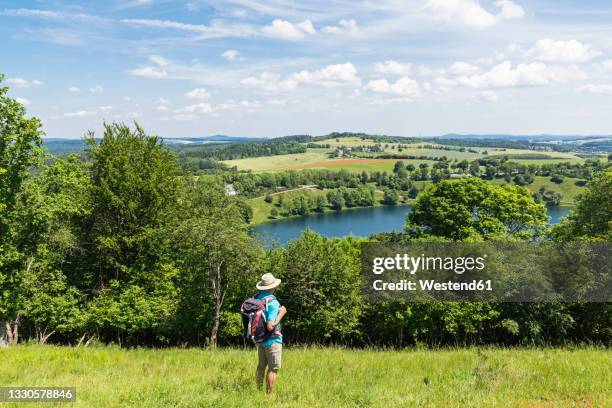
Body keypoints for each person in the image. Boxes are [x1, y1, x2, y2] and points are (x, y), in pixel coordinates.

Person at [254, 273, 286, 394]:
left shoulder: (257, 298)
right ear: (273, 286)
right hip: (272, 339)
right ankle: (268, 397)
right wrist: (281, 313)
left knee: (261, 366)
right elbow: (270, 325)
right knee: (273, 369)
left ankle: (257, 392)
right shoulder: (272, 302)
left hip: (260, 339)